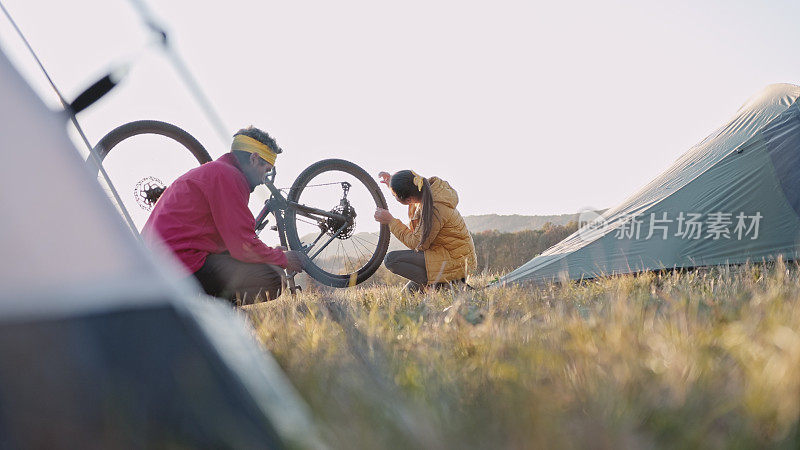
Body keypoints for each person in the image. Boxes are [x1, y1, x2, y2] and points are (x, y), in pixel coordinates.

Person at [142, 126, 304, 303]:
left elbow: (232, 242)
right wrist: (282, 258)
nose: (264, 179)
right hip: (179, 266)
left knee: (264, 266)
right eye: (266, 170)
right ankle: (209, 312)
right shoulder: (228, 176)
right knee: (274, 277)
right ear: (254, 158)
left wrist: (270, 253)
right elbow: (242, 245)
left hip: (161, 264)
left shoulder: (216, 171)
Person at [374, 170, 477, 291]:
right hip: (443, 255)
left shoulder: (435, 208)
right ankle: (444, 284)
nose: (394, 197)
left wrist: (391, 221)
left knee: (391, 260)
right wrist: (393, 182)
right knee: (407, 295)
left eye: (394, 196)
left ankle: (448, 286)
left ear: (409, 199)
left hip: (456, 262)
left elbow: (417, 243)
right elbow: (410, 187)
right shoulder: (425, 193)